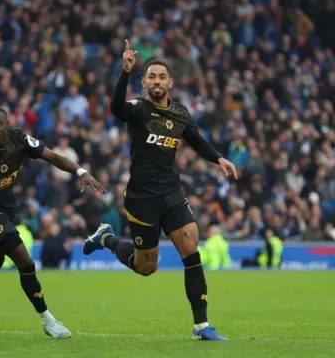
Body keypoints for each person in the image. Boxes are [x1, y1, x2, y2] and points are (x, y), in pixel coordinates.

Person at [82, 40, 238, 341]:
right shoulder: (139, 109)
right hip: (142, 199)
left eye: (161, 77)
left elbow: (196, 140)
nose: (156, 81)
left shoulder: (180, 114)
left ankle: (201, 327)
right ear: (144, 82)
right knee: (146, 267)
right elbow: (115, 107)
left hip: (172, 193)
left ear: (171, 82)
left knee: (191, 249)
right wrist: (123, 73)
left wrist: (219, 159)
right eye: (151, 76)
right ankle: (107, 238)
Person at [0, 106, 106, 339]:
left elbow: (53, 157)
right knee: (26, 263)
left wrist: (80, 172)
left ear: (7, 124)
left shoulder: (20, 140)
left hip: (7, 209)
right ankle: (48, 320)